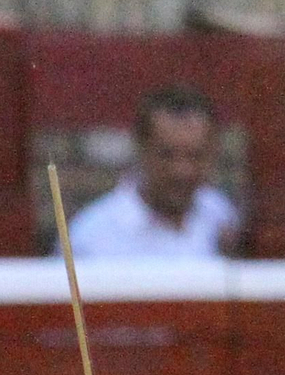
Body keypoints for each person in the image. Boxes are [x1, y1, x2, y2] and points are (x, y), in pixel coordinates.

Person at [68, 84, 239, 259]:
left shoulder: (221, 214)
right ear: (141, 149)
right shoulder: (90, 236)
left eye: (195, 156)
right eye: (167, 155)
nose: (181, 170)